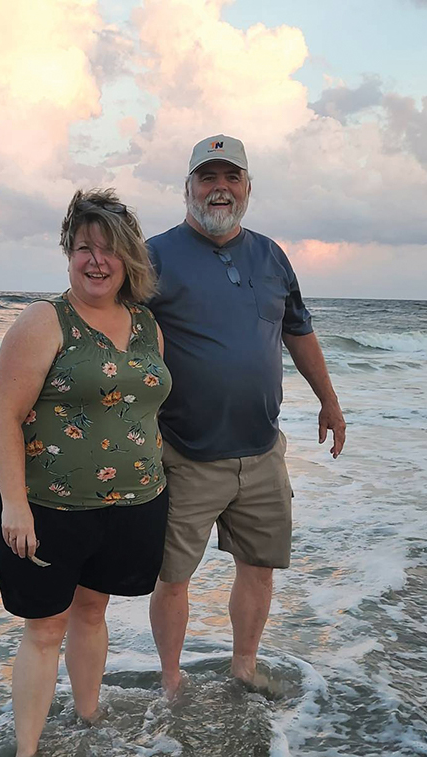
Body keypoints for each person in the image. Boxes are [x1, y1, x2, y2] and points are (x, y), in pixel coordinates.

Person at [146, 134, 346, 696]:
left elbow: (298, 330)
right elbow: (121, 335)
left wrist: (329, 402)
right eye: (207, 178)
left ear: (248, 188)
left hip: (262, 450)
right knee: (174, 576)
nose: (219, 189)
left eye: (230, 178)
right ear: (187, 188)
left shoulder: (272, 255)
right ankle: (170, 678)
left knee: (259, 568)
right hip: (184, 450)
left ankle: (244, 665)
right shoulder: (155, 253)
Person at [0, 188, 170, 757]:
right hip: (46, 507)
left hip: (131, 502)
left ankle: (89, 718)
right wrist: (15, 504)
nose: (96, 261)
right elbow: (4, 417)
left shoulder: (146, 326)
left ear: (129, 260)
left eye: (108, 250)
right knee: (45, 628)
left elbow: (146, 406)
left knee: (94, 611)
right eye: (83, 248)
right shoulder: (44, 321)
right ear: (68, 254)